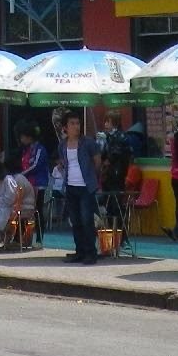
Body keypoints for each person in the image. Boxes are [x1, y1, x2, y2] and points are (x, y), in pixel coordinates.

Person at [60, 113, 101, 265]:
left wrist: (92, 178)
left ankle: (91, 252)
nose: (76, 127)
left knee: (87, 220)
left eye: (78, 123)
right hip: (71, 186)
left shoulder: (88, 143)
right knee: (75, 221)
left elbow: (97, 161)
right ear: (65, 128)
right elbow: (64, 162)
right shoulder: (63, 145)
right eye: (72, 124)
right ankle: (80, 251)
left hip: (85, 187)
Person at [18, 127, 49, 243]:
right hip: (27, 184)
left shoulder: (40, 149)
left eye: (23, 137)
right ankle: (22, 238)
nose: (21, 139)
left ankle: (39, 239)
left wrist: (21, 174)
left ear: (29, 137)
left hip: (38, 183)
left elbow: (35, 165)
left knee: (38, 210)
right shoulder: (26, 150)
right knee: (24, 208)